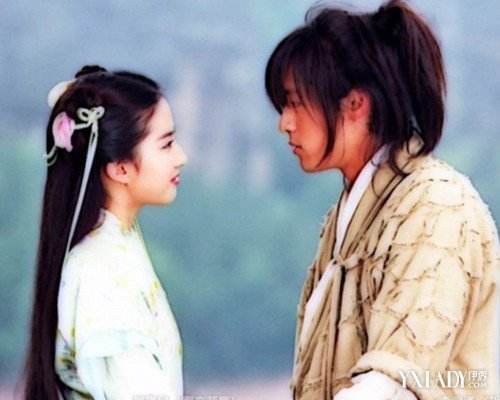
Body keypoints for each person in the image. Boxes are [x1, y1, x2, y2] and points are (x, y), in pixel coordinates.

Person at [265, 1, 499, 399]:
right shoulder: (346, 220)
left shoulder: (437, 207)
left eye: (295, 102)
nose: (284, 123)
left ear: (356, 104)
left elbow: (395, 382)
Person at [23, 65, 187, 400]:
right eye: (167, 144)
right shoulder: (99, 271)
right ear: (120, 168)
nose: (181, 157)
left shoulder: (116, 248)